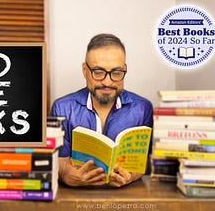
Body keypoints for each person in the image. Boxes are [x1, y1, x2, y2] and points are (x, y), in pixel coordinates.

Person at [51, 33, 153, 188]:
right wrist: (66, 175)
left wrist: (131, 176)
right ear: (85, 70)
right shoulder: (62, 108)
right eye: (98, 72)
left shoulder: (143, 108)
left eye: (116, 73)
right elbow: (59, 160)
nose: (107, 82)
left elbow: (149, 161)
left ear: (125, 70)